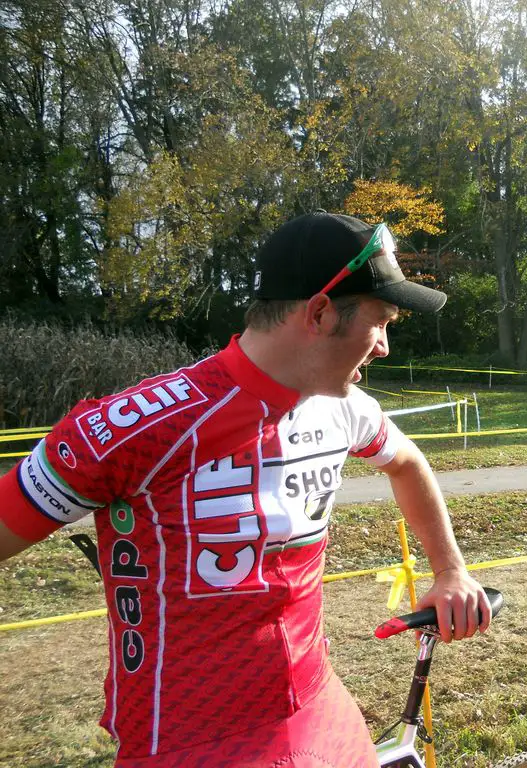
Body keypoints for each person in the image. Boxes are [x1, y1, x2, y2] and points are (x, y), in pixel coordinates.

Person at [0, 211, 492, 767]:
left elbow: (407, 463)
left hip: (318, 708)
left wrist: (450, 570)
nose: (383, 346)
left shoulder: (346, 408)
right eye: (381, 322)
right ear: (321, 313)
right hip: (191, 742)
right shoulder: (135, 429)